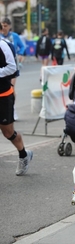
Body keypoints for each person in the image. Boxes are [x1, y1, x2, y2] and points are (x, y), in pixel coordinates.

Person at [0, 38, 33, 176]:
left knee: (8, 132)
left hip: (3, 94)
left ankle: (23, 154)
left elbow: (12, 67)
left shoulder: (3, 44)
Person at [1, 18, 26, 121]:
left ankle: (12, 110)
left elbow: (22, 47)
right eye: (3, 25)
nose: (4, 28)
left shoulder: (14, 36)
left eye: (6, 26)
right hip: (2, 64)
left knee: (12, 87)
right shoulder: (0, 37)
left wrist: (20, 54)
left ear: (10, 26)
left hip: (12, 64)